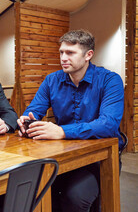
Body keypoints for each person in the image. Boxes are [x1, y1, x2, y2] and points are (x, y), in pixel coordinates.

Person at [17, 29, 124, 212]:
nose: (63, 58)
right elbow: (34, 110)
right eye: (61, 52)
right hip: (61, 158)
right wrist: (27, 121)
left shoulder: (110, 80)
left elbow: (108, 124)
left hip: (98, 160)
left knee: (74, 197)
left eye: (70, 53)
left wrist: (62, 131)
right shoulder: (52, 80)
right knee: (25, 190)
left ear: (88, 55)